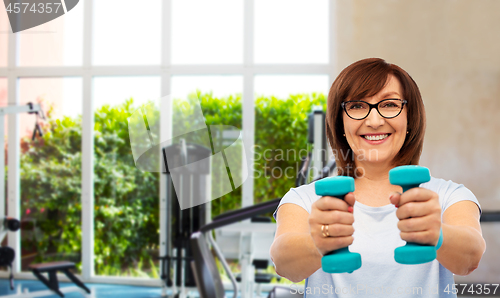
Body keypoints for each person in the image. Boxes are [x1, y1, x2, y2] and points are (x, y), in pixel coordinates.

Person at [269, 58, 485, 297]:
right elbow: (283, 262)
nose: (374, 121)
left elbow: (470, 257)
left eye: (390, 104)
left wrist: (437, 233)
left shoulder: (449, 196)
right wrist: (316, 243)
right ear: (340, 121)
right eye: (357, 106)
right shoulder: (305, 199)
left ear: (409, 118)